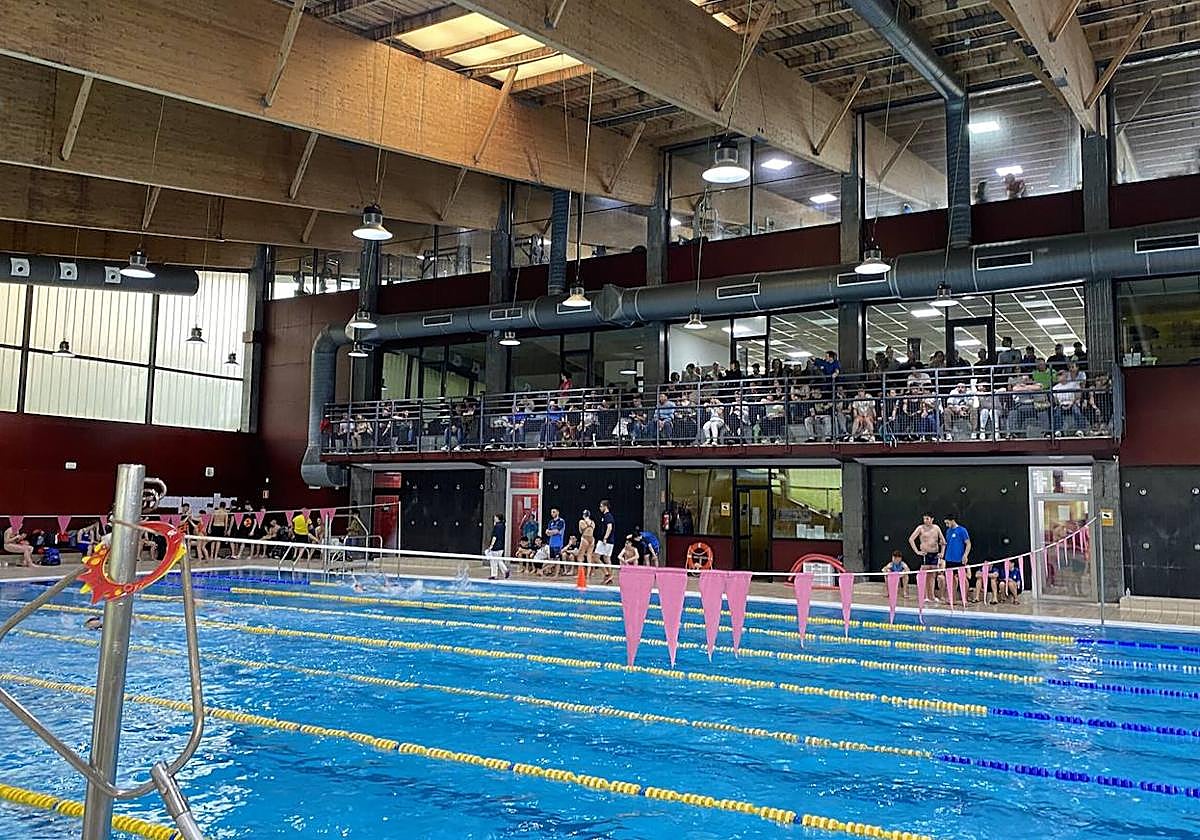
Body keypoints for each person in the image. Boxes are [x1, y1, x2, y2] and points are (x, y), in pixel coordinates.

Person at [908, 513, 946, 603]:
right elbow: (911, 539)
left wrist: (942, 553)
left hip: (935, 554)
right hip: (925, 554)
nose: (925, 521)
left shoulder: (936, 528)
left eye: (927, 519)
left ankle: (931, 596)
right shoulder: (920, 528)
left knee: (932, 576)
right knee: (923, 575)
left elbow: (943, 542)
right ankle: (924, 595)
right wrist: (917, 551)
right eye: (924, 519)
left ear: (932, 519)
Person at [942, 514, 971, 585]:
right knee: (951, 580)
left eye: (947, 523)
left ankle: (965, 596)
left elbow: (968, 544)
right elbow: (947, 544)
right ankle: (952, 596)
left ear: (952, 521)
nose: (946, 525)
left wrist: (965, 555)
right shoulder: (948, 531)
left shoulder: (962, 530)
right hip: (949, 559)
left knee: (963, 579)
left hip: (958, 559)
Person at [594, 499, 615, 584]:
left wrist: (605, 538)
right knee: (606, 558)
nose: (600, 508)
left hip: (606, 540)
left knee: (596, 557)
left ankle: (607, 574)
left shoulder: (608, 516)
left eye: (601, 506)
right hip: (606, 540)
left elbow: (609, 527)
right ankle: (609, 575)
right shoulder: (605, 516)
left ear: (605, 506)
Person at [486, 513, 509, 580]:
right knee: (498, 559)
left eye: (495, 517)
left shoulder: (497, 526)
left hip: (496, 546)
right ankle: (501, 572)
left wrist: (491, 546)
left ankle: (501, 572)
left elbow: (495, 536)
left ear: (498, 518)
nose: (494, 518)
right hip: (501, 546)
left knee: (494, 560)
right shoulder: (503, 526)